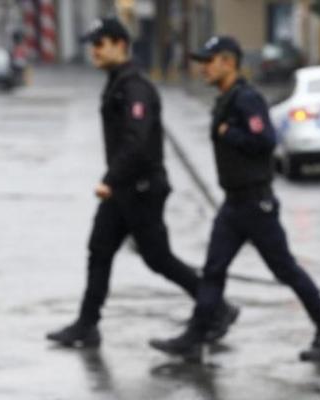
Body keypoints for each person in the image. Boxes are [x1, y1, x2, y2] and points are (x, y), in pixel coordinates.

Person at [149, 36, 320, 361]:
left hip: (255, 204)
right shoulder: (227, 99)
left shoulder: (246, 99)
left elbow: (266, 140)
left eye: (209, 61)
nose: (203, 68)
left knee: (286, 270)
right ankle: (195, 337)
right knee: (213, 270)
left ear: (228, 62)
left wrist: (230, 133)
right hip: (234, 204)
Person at [46, 17, 205, 348]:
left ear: (120, 45)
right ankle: (87, 324)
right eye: (92, 45)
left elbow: (138, 141)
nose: (94, 51)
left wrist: (110, 178)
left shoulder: (135, 88)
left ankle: (214, 307)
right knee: (99, 250)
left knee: (158, 258)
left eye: (100, 44)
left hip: (141, 188)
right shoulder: (118, 82)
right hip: (123, 189)